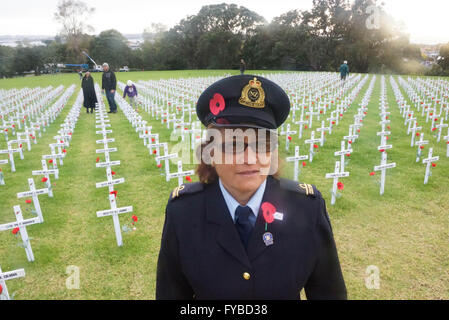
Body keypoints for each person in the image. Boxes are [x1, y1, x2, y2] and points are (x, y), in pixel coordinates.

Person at [156, 75, 347, 300]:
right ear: (211, 154)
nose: (249, 158)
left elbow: (329, 293)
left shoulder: (307, 209)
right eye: (234, 144)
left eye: (263, 143)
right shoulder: (184, 213)